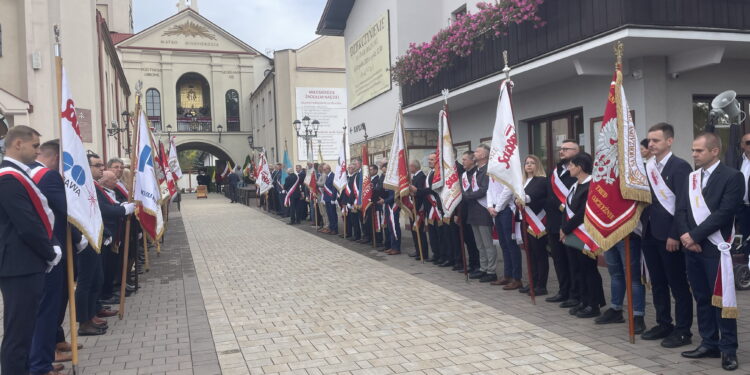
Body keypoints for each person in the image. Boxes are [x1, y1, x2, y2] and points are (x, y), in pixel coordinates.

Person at [677, 132, 742, 371]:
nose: (694, 154)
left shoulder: (732, 177)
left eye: (699, 150)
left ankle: (728, 349)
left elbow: (724, 212)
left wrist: (694, 236)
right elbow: (681, 209)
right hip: (692, 248)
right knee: (702, 297)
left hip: (715, 247)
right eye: (693, 150)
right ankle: (709, 342)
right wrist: (686, 236)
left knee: (721, 300)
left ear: (714, 151)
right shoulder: (691, 177)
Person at [0, 126, 61, 375]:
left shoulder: (18, 175)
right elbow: (27, 223)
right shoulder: (8, 178)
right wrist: (50, 252)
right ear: (17, 144)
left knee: (24, 331)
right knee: (18, 334)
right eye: (34, 146)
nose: (38, 151)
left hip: (25, 263)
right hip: (19, 265)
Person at [28, 141, 86, 375]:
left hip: (49, 248)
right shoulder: (49, 177)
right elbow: (67, 210)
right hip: (55, 248)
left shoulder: (31, 175)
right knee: (51, 304)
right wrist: (81, 235)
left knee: (54, 303)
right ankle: (42, 359)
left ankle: (54, 342)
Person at [639, 123, 694, 347]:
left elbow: (683, 203)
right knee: (658, 282)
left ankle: (683, 330)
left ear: (669, 141)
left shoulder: (680, 167)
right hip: (649, 233)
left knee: (678, 284)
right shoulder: (647, 166)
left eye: (656, 140)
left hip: (670, 236)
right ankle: (664, 323)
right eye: (649, 140)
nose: (651, 144)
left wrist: (675, 234)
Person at [560, 152, 605, 318]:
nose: (569, 168)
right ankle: (584, 300)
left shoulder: (591, 185)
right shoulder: (575, 185)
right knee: (578, 269)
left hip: (585, 234)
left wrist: (566, 228)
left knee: (589, 270)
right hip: (572, 233)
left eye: (572, 165)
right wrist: (563, 228)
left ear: (580, 167)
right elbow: (567, 208)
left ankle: (594, 304)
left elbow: (582, 213)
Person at [545, 140, 580, 308]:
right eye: (561, 149)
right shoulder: (555, 171)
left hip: (571, 223)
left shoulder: (580, 172)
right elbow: (548, 193)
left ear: (576, 151)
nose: (562, 151)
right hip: (553, 222)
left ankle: (575, 294)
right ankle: (563, 290)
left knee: (572, 261)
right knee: (558, 260)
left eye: (566, 149)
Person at [462, 145, 495, 282]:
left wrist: (467, 195)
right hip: (473, 211)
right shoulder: (477, 171)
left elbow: (483, 190)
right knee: (479, 244)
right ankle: (483, 268)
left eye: (477, 151)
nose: (475, 153)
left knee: (487, 243)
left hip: (483, 210)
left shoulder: (488, 170)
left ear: (484, 155)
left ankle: (491, 270)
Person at [516, 155, 549, 296]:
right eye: (526, 163)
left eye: (532, 163)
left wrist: (521, 197)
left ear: (538, 165)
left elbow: (532, 197)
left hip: (537, 221)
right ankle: (532, 281)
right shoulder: (522, 181)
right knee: (530, 254)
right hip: (525, 220)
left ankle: (541, 285)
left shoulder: (541, 180)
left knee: (539, 254)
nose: (528, 165)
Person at [487, 166, 522, 289]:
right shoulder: (492, 171)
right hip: (496, 209)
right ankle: (507, 275)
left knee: (511, 244)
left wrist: (497, 208)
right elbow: (489, 189)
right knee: (503, 244)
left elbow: (508, 190)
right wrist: (490, 205)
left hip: (507, 209)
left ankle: (516, 277)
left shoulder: (507, 169)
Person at [409, 159, 430, 261]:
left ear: (414, 167)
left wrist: (415, 192)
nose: (409, 168)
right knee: (414, 231)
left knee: (419, 231)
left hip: (419, 208)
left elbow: (422, 192)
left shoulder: (421, 176)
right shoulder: (415, 176)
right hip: (413, 207)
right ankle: (418, 250)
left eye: (410, 166)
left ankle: (423, 253)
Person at [382, 162, 403, 255]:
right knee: (390, 227)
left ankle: (396, 247)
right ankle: (392, 246)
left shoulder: (396, 179)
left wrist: (384, 201)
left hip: (393, 205)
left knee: (395, 227)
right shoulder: (388, 179)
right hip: (388, 205)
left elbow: (395, 195)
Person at [737, 132, 750, 251]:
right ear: (742, 145)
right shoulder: (737, 161)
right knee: (746, 238)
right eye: (748, 142)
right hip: (743, 208)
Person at [322, 164, 339, 235]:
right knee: (329, 214)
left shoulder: (333, 176)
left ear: (329, 169)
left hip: (331, 198)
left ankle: (335, 229)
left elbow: (334, 188)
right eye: (324, 169)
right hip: (327, 198)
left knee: (333, 214)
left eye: (325, 169)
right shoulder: (327, 176)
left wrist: (333, 198)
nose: (324, 171)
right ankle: (331, 228)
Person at [317, 164, 330, 233]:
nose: (318, 169)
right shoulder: (321, 175)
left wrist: (316, 183)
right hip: (319, 195)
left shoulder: (324, 175)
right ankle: (325, 225)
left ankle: (327, 226)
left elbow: (323, 184)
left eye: (320, 168)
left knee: (324, 212)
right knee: (322, 212)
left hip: (322, 195)